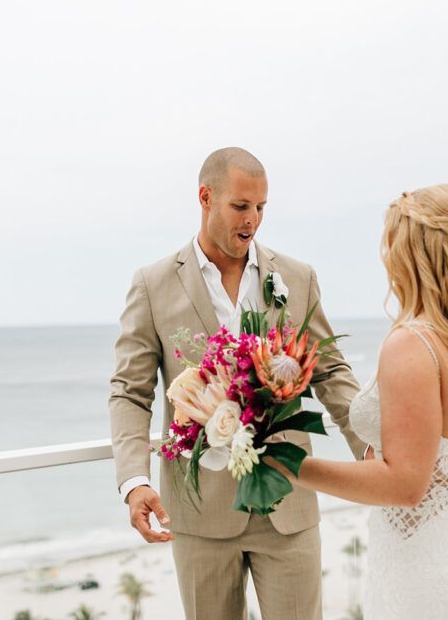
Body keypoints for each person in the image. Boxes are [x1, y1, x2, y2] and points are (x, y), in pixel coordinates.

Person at [108, 147, 366, 619]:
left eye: (261, 208)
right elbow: (130, 390)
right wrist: (133, 480)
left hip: (289, 503)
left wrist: (371, 446)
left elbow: (329, 370)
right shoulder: (153, 283)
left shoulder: (296, 277)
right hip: (201, 511)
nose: (252, 221)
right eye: (241, 207)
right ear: (206, 198)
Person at [267, 184, 448, 619]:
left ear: (412, 255)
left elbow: (405, 485)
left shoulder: (412, 344)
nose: (387, 260)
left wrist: (286, 463)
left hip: (430, 576)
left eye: (392, 245)